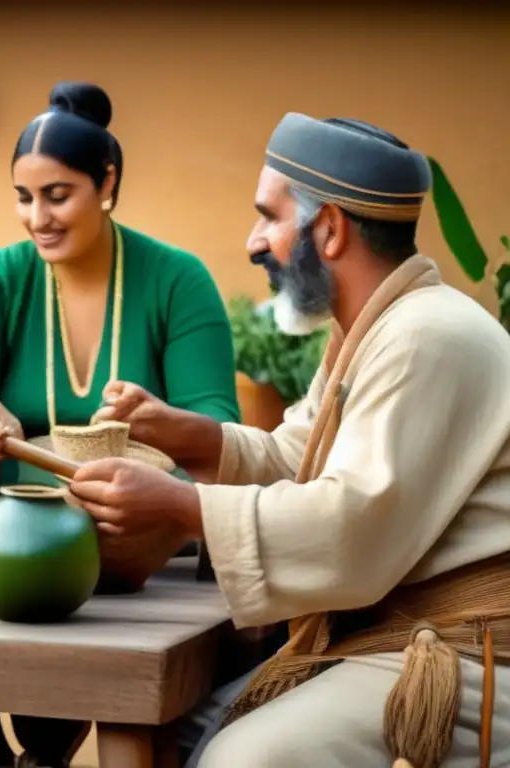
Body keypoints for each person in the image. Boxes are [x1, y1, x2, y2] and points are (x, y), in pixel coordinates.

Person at [66, 112, 510, 767]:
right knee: (178, 729)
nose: (253, 242)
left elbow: (353, 524)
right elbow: (296, 457)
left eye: (269, 218)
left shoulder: (423, 337)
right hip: (397, 634)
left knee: (239, 760)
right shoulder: (375, 331)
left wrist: (177, 506)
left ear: (328, 229)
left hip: (466, 652)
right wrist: (190, 437)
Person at [0, 81, 240, 768]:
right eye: (24, 198)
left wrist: (158, 421)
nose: (37, 217)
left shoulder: (177, 279)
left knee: (96, 708)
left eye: (58, 195)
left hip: (142, 553)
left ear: (106, 182)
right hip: (15, 551)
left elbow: (219, 426)